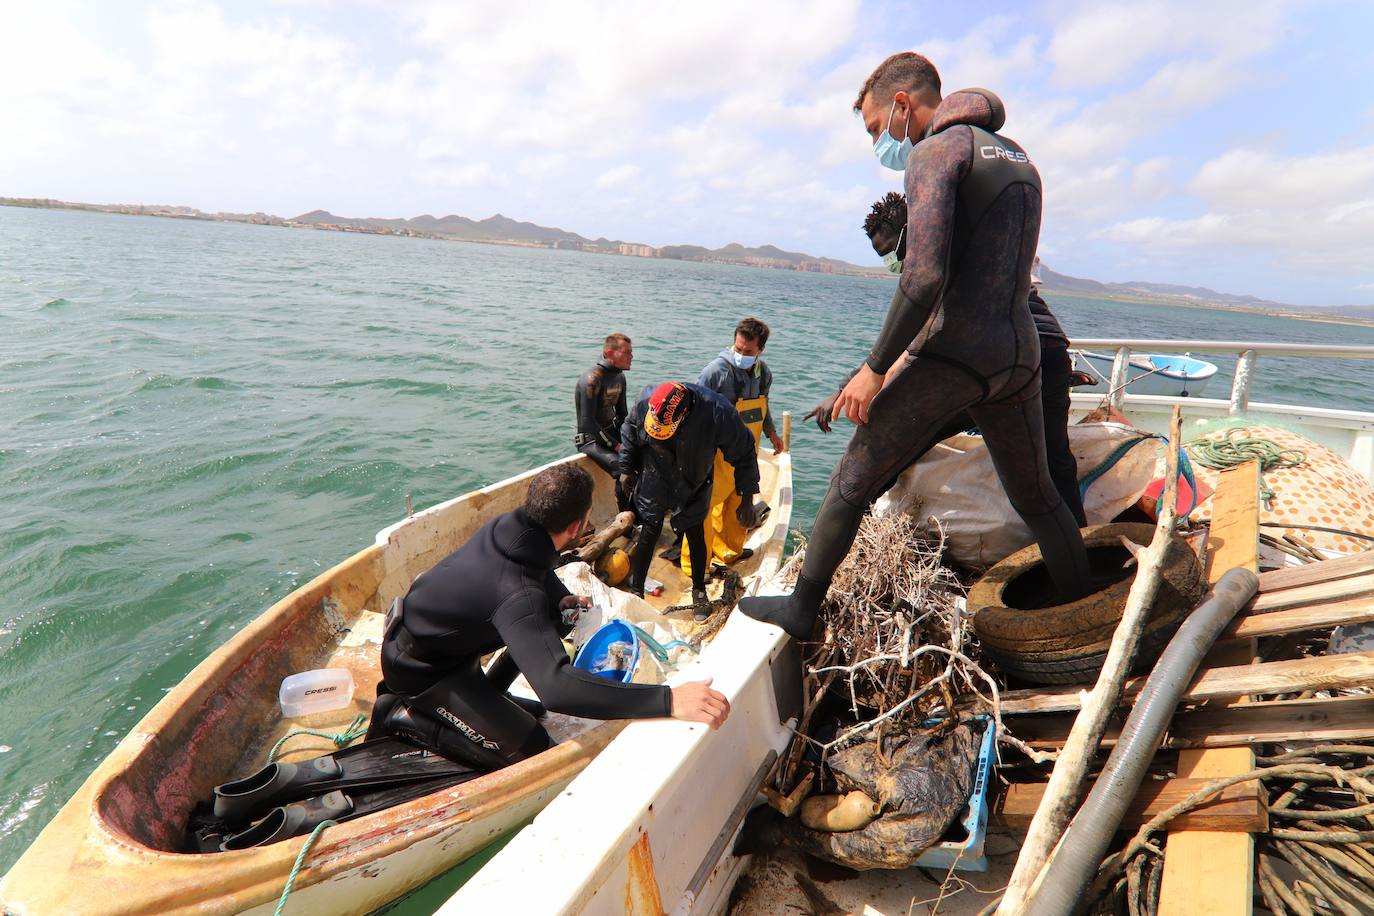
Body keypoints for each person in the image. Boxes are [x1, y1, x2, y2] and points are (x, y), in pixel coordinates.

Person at [741, 51, 1091, 641]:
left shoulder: (935, 152)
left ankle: (801, 610)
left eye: (878, 128)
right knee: (1038, 497)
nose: (883, 142)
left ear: (903, 103)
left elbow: (924, 278)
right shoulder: (1016, 157)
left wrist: (873, 369)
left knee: (852, 479)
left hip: (958, 352)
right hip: (1019, 352)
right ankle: (1084, 611)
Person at [370, 462, 730, 771]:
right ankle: (403, 717)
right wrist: (668, 700)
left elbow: (539, 570)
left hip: (437, 643)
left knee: (551, 628)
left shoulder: (508, 527)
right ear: (576, 527)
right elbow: (558, 689)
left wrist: (561, 599)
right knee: (532, 747)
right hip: (420, 674)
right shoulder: (516, 593)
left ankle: (487, 693)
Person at [804, 193, 1087, 527]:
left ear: (914, 231)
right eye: (884, 258)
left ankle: (850, 531)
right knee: (1055, 464)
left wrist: (847, 389)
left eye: (893, 253)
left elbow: (909, 345)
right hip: (1044, 350)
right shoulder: (975, 242)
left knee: (891, 442)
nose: (893, 263)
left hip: (996, 360)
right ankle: (1081, 551)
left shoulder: (933, 266)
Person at [619, 381, 762, 619]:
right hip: (656, 470)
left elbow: (745, 453)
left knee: (695, 531)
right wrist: (625, 468)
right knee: (650, 528)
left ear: (683, 416)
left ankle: (699, 591)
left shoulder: (718, 412)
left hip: (694, 477)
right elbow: (630, 429)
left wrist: (746, 500)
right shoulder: (647, 399)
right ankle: (636, 591)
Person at [682, 317, 783, 571]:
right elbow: (693, 411)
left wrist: (772, 433)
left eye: (748, 351)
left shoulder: (764, 373)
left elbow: (764, 406)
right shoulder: (714, 372)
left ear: (760, 350)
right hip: (715, 454)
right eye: (737, 349)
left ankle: (727, 552)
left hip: (746, 453)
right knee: (703, 510)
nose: (741, 354)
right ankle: (695, 565)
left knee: (737, 506)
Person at [574, 333, 633, 482]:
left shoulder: (620, 377)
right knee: (623, 470)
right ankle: (625, 506)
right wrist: (617, 446)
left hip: (612, 432)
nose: (632, 356)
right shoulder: (592, 379)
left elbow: (623, 414)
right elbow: (587, 423)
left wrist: (633, 440)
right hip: (590, 439)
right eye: (627, 352)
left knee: (646, 455)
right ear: (609, 353)